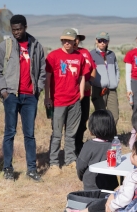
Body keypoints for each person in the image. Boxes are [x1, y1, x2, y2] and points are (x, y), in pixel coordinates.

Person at [0, 14, 46, 182]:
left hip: (30, 97)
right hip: (11, 96)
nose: (16, 32)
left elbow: (42, 70)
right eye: (13, 30)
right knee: (10, 133)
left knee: (29, 134)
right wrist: (4, 92)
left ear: (25, 27)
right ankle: (8, 169)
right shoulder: (4, 46)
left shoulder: (36, 46)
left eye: (19, 29)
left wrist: (38, 89)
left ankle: (32, 169)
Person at [45, 28, 89, 175]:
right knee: (57, 133)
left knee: (71, 133)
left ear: (74, 41)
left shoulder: (79, 56)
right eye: (64, 40)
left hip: (74, 100)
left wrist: (81, 92)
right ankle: (54, 163)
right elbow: (48, 77)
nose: (66, 43)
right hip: (58, 101)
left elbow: (82, 76)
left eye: (69, 40)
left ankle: (70, 159)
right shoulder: (53, 56)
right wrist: (47, 96)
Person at [71, 139, 137, 212]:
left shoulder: (134, 175)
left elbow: (126, 197)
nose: (131, 154)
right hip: (130, 205)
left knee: (99, 204)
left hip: (122, 206)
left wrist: (112, 206)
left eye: (132, 152)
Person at [76, 110, 119, 191]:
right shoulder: (114, 145)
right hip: (110, 185)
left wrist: (82, 177)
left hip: (91, 186)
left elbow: (80, 166)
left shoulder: (89, 145)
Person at [72, 28, 96, 155]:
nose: (75, 40)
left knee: (83, 119)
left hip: (85, 93)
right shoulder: (67, 53)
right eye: (73, 38)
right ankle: (71, 148)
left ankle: (79, 145)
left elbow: (93, 69)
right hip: (72, 94)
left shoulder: (85, 53)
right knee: (72, 121)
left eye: (77, 38)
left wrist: (90, 82)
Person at [90, 32, 120, 124]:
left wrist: (116, 81)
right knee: (101, 114)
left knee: (114, 115)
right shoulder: (91, 54)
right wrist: (93, 83)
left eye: (104, 40)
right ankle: (101, 136)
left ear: (108, 42)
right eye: (100, 40)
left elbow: (117, 69)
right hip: (98, 88)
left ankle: (112, 135)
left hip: (111, 89)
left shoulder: (112, 54)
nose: (102, 43)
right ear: (96, 41)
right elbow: (89, 70)